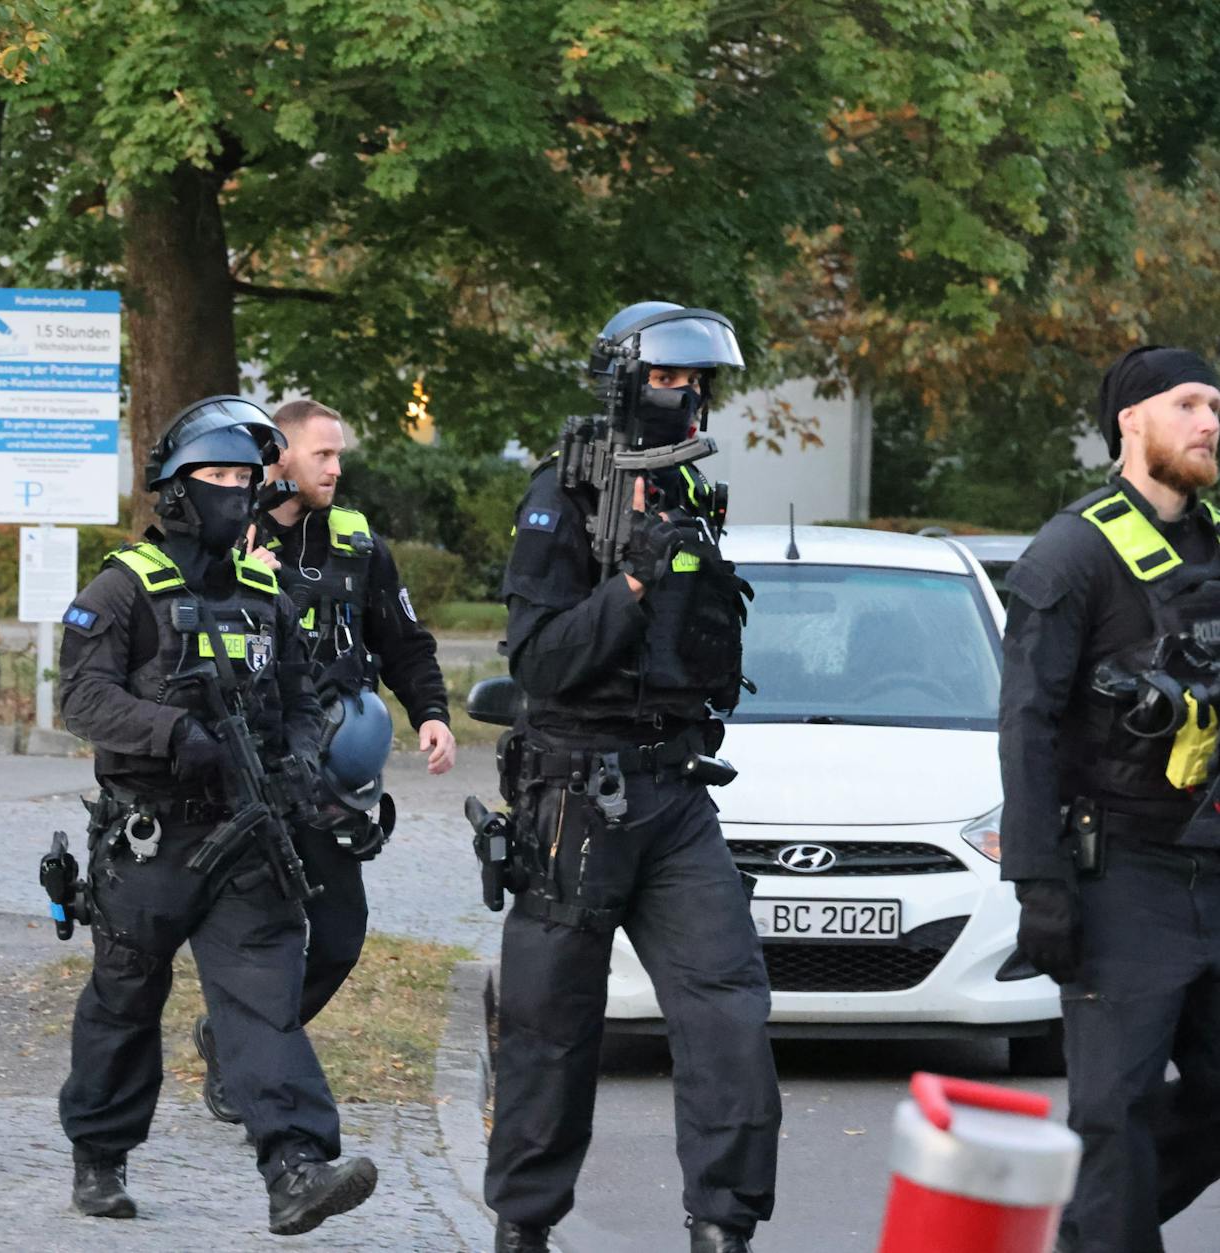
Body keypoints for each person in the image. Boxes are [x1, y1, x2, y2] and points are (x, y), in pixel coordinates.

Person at [484, 303, 779, 1253]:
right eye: (668, 379)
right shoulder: (561, 497)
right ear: (624, 383)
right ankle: (525, 1223)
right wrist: (632, 587)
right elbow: (538, 660)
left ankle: (724, 1225)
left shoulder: (689, 495)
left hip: (676, 793)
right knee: (551, 1025)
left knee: (728, 1004)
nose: (688, 396)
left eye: (699, 381)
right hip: (575, 796)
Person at [55, 395, 377, 1236]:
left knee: (263, 998)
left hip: (246, 829)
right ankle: (99, 1154)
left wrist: (306, 756)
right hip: (151, 836)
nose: (237, 492)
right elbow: (81, 696)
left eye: (247, 477)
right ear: (175, 488)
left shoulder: (265, 589)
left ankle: (295, 1166)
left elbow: (301, 695)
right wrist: (172, 733)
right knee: (126, 999)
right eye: (220, 477)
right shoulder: (123, 588)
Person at [999, 345, 1220, 1253]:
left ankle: (1090, 1232)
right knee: (1114, 1108)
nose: (1210, 422)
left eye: (1216, 406)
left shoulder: (1215, 543)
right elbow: (1027, 725)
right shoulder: (1073, 550)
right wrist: (1040, 885)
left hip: (1214, 863)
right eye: (1188, 404)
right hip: (1120, 873)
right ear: (1131, 421)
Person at [189, 397, 453, 1122]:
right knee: (257, 936)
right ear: (280, 457)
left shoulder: (357, 544)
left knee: (337, 938)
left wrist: (431, 714)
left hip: (331, 780)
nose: (336, 467)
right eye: (322, 454)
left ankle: (231, 1038)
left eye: (339, 454)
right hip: (252, 773)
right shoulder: (226, 537)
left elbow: (404, 641)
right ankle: (254, 1066)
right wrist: (239, 581)